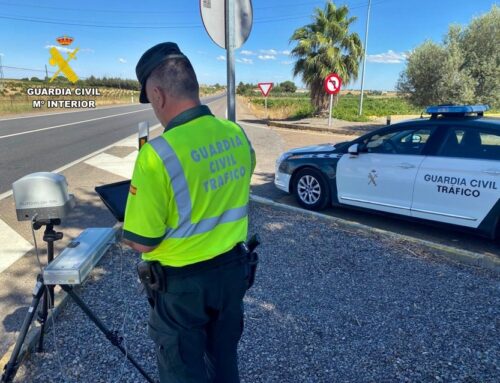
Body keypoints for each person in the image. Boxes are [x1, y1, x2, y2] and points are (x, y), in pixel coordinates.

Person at [122, 42, 256, 383]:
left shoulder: (156, 154)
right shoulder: (236, 135)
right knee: (224, 362)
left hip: (182, 289)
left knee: (183, 371)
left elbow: (144, 243)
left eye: (151, 100)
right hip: (231, 275)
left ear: (158, 94)